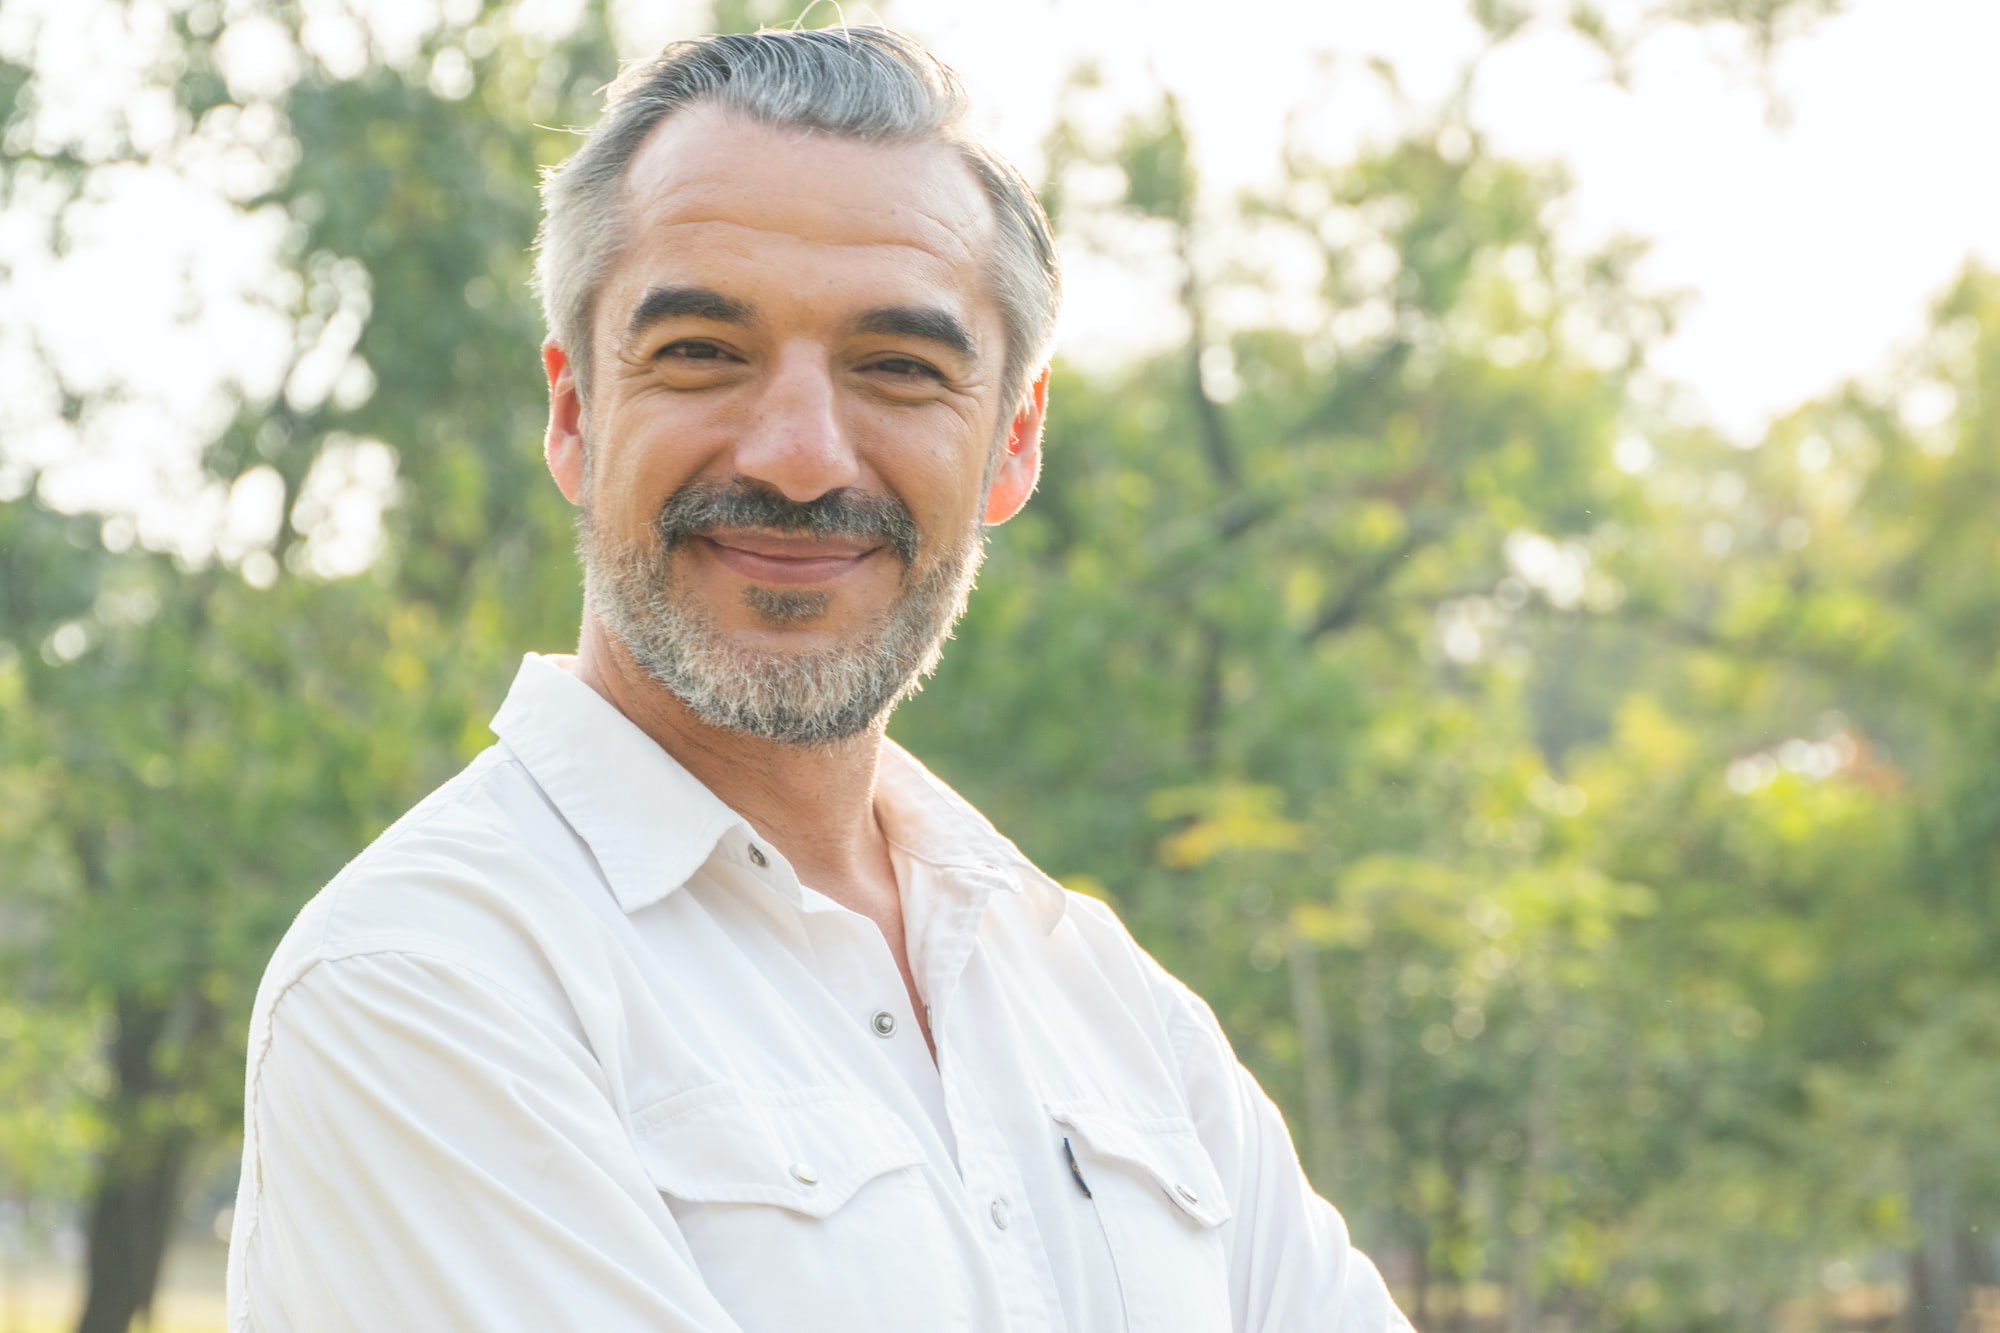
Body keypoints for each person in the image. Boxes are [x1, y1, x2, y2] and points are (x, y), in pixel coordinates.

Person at [225, 25, 1413, 1332]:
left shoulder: (1112, 1008)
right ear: (573, 413)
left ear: (1014, 440)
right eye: (702, 352)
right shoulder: (425, 978)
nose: (799, 456)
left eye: (899, 368)